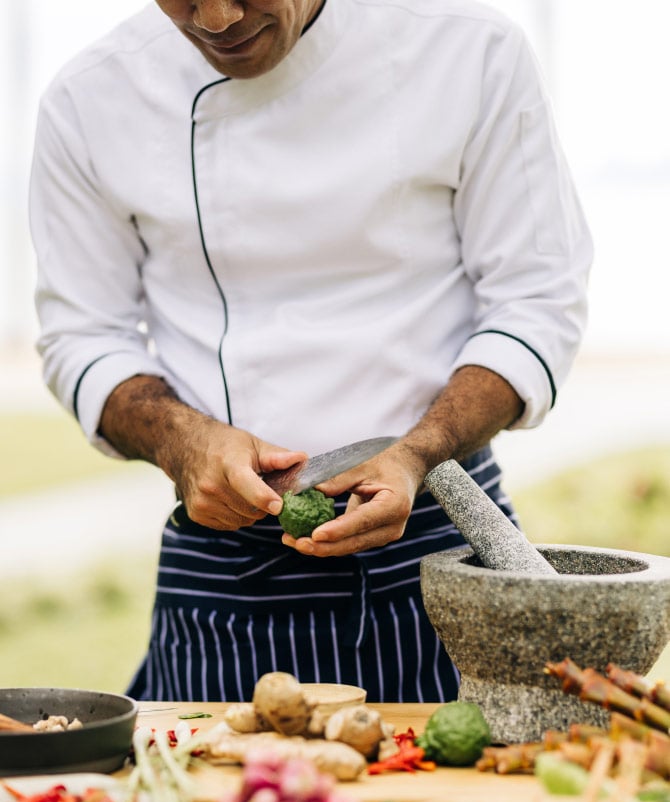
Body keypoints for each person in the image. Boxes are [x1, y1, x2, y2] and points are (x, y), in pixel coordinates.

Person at [29, 0, 592, 704]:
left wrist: (417, 453)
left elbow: (536, 300)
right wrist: (184, 441)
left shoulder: (472, 53)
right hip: (229, 567)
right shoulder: (92, 99)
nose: (217, 16)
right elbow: (82, 334)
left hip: (442, 542)